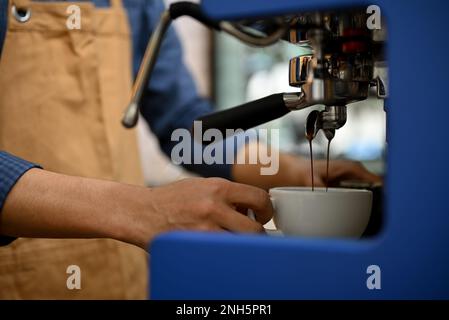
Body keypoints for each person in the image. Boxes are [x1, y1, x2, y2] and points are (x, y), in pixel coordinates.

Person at [0, 0, 380, 299]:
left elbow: (185, 127)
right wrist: (142, 210)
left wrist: (296, 173)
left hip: (126, 273)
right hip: (22, 272)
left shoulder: (135, 4)